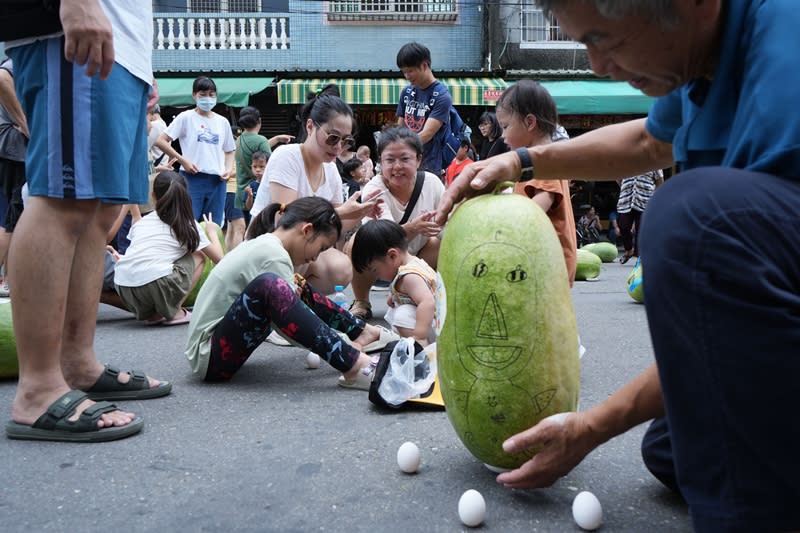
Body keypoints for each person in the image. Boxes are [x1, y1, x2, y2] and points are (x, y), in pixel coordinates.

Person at [437, 1, 800, 530]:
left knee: (689, 218)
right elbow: (649, 140)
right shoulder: (701, 61)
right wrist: (519, 160)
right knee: (674, 447)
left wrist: (592, 427)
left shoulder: (786, 61)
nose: (599, 65)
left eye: (604, 39)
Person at [5, 0, 170, 443]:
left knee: (98, 211)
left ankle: (77, 363)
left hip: (122, 42)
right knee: (63, 197)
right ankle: (38, 388)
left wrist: (141, 61)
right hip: (71, 25)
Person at [184, 196, 398, 389]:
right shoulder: (273, 254)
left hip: (217, 350)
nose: (316, 258)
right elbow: (288, 326)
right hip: (211, 357)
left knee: (295, 285)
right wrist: (341, 343)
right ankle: (353, 364)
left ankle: (362, 331)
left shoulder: (268, 245)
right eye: (322, 248)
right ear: (307, 231)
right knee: (272, 285)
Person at [249, 92, 382, 295]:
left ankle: (297, 302)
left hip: (301, 247)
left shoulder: (331, 170)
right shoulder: (287, 156)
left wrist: (359, 212)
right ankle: (281, 304)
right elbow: (285, 221)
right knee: (301, 245)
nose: (338, 147)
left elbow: (335, 229)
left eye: (345, 141)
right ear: (310, 127)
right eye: (332, 137)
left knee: (341, 267)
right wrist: (341, 213)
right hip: (268, 243)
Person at [344, 126, 444, 320]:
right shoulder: (374, 188)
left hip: (418, 255)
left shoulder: (432, 183)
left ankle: (424, 295)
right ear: (380, 162)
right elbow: (383, 238)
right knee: (358, 242)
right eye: (390, 160)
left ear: (418, 160)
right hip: (380, 258)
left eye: (405, 159)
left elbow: (446, 227)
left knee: (440, 244)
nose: (397, 166)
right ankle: (361, 301)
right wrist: (413, 228)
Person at [114, 171, 224, 326]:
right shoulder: (187, 224)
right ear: (185, 195)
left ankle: (154, 315)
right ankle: (175, 311)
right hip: (157, 285)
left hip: (125, 289)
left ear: (153, 196)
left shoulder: (143, 223)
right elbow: (220, 259)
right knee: (199, 256)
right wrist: (212, 231)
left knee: (158, 263)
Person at [495, 80, 577, 286]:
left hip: (547, 264)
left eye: (505, 127)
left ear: (530, 123)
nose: (503, 136)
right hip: (543, 262)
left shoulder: (541, 161)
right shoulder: (534, 161)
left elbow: (536, 208)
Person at [154, 76, 235, 225]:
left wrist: (228, 169)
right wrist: (182, 160)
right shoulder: (186, 117)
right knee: (188, 224)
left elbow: (230, 150)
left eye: (211, 95)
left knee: (213, 226)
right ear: (194, 95)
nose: (207, 98)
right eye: (202, 94)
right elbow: (161, 141)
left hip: (217, 181)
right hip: (191, 178)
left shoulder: (223, 122)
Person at [351, 219, 436, 346]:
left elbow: (427, 302)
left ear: (392, 256)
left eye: (375, 270)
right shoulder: (413, 263)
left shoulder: (410, 276)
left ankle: (420, 348)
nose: (376, 277)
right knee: (396, 310)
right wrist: (395, 295)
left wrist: (420, 336)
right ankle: (408, 341)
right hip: (433, 322)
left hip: (436, 326)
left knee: (401, 315)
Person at [232, 106, 293, 251]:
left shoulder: (239, 140)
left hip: (241, 191)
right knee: (261, 233)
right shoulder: (260, 140)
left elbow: (257, 153)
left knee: (243, 230)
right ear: (259, 121)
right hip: (259, 192)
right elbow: (271, 163)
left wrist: (277, 139)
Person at [396, 42, 451, 176]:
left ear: (424, 65)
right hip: (404, 163)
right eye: (404, 72)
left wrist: (399, 148)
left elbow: (426, 135)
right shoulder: (407, 92)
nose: (407, 76)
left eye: (410, 71)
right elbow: (400, 126)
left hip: (428, 167)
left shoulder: (442, 96)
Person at [0, 57, 28, 299]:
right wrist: (25, 123)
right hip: (14, 150)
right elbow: (2, 77)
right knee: (14, 219)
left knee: (12, 216)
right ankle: (8, 281)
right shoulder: (17, 59)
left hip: (10, 150)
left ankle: (9, 280)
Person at [616, 170, 663, 264]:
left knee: (641, 229)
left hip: (645, 200)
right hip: (626, 199)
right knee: (623, 226)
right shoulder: (624, 160)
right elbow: (618, 177)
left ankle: (641, 257)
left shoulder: (653, 161)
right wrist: (627, 187)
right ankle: (629, 250)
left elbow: (660, 181)